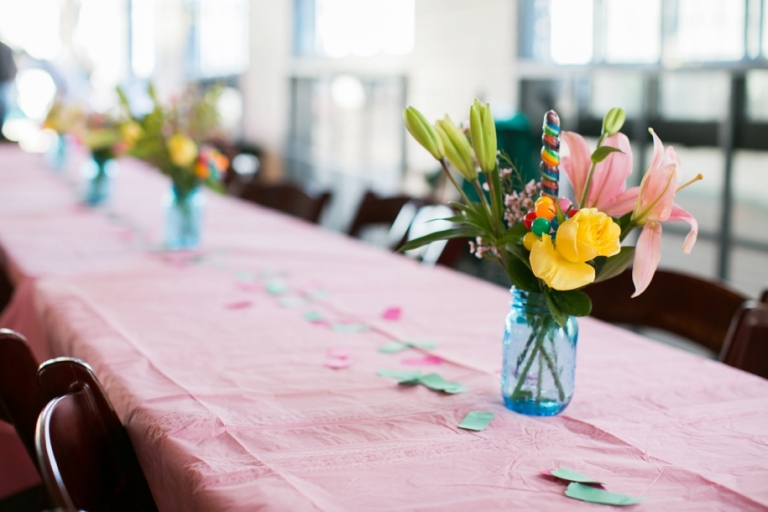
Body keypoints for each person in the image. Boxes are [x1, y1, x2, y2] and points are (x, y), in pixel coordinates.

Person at [0, 39, 17, 141]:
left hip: (6, 82)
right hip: (5, 82)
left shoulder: (6, 48)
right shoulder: (5, 48)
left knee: (4, 107)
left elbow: (13, 66)